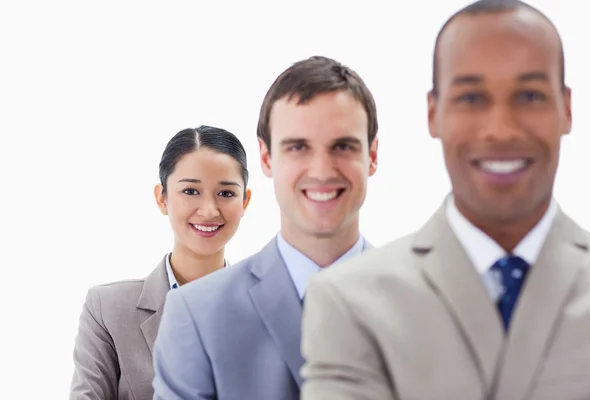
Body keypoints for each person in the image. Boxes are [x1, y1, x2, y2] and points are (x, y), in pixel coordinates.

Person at [301, 1, 590, 399]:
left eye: (529, 96)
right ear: (433, 114)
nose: (501, 129)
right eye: (472, 99)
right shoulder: (349, 300)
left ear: (566, 108)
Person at [152, 55, 379, 399]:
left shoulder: (432, 304)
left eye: (343, 146)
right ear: (266, 157)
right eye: (298, 146)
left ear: (372, 155)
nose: (321, 170)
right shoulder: (196, 314)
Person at [69, 125, 251, 400]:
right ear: (162, 198)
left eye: (226, 193)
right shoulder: (108, 309)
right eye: (191, 191)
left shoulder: (273, 309)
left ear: (245, 201)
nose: (209, 210)